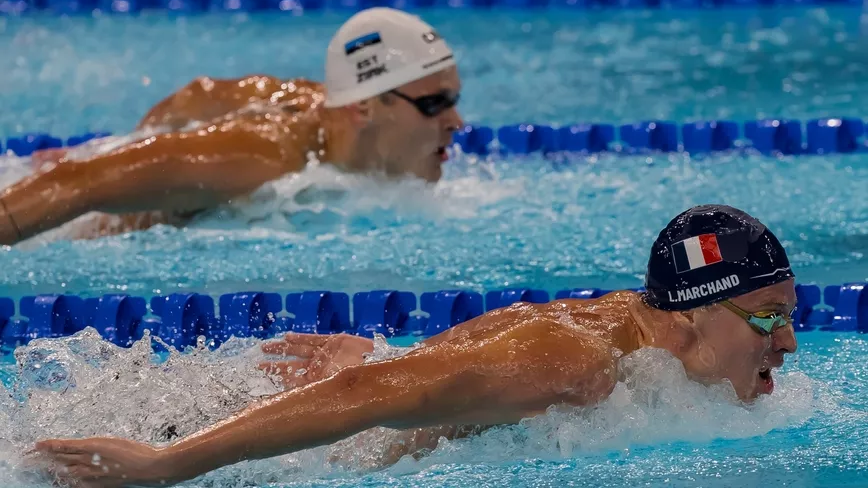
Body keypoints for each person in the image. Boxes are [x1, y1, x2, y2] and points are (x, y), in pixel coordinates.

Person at [30, 204, 798, 487]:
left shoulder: (645, 338)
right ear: (692, 314)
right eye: (769, 318)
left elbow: (439, 384)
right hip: (286, 455)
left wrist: (384, 367)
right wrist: (167, 465)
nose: (790, 342)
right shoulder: (579, 365)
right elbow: (375, 408)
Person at [0, 7, 462, 245]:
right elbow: (78, 182)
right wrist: (130, 154)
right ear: (364, 108)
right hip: (79, 230)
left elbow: (200, 93)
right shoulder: (257, 158)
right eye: (435, 104)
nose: (456, 122)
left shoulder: (319, 107)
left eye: (454, 101)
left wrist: (139, 141)